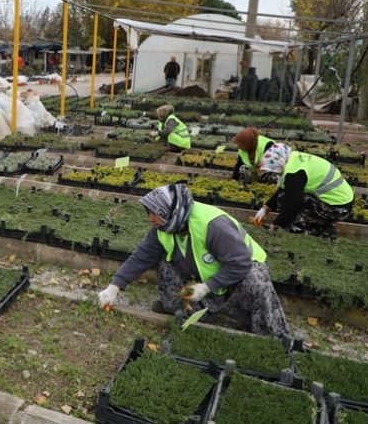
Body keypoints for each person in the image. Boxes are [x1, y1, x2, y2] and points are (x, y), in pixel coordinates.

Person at [97, 183, 289, 338]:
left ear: (172, 214)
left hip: (243, 267)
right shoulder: (162, 229)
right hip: (205, 270)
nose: (150, 219)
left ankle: (270, 335)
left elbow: (240, 263)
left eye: (154, 214)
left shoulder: (212, 225)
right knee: (165, 265)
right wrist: (114, 287)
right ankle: (200, 313)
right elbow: (141, 257)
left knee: (255, 282)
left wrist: (206, 287)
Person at [253, 143, 353, 238]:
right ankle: (323, 228)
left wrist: (276, 226)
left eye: (276, 171)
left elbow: (293, 204)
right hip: (341, 203)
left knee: (288, 201)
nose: (276, 174)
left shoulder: (294, 173)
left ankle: (305, 230)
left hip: (338, 208)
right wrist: (265, 208)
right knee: (285, 196)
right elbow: (284, 189)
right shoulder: (294, 159)